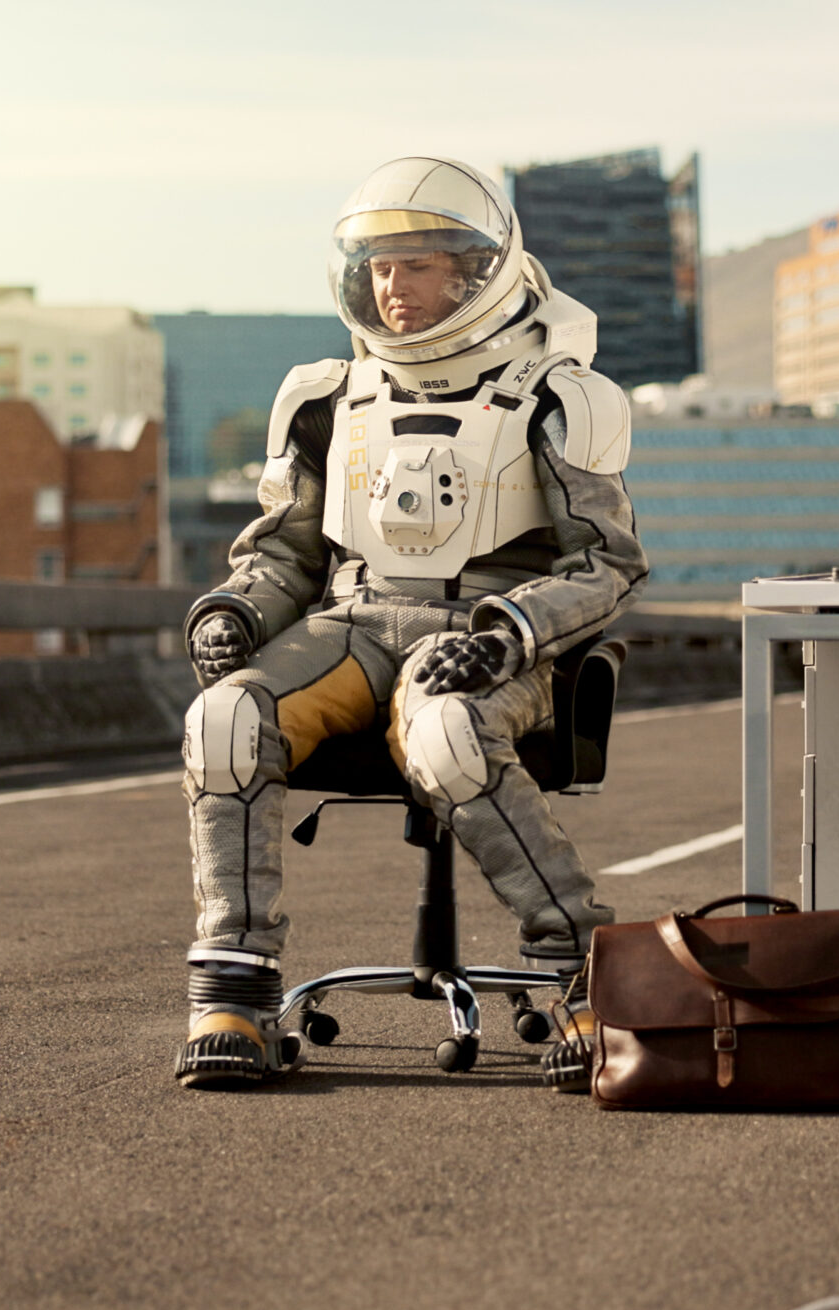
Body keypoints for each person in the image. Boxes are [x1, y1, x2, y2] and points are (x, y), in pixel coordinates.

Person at [174, 155, 646, 1092]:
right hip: (351, 625)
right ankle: (235, 995)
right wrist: (235, 611)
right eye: (381, 268)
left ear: (477, 271)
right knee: (224, 718)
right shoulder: (323, 397)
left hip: (479, 632)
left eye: (420, 265)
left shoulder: (562, 395)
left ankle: (588, 980)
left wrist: (510, 630)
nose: (395, 287)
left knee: (449, 735)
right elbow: (283, 556)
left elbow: (608, 565)